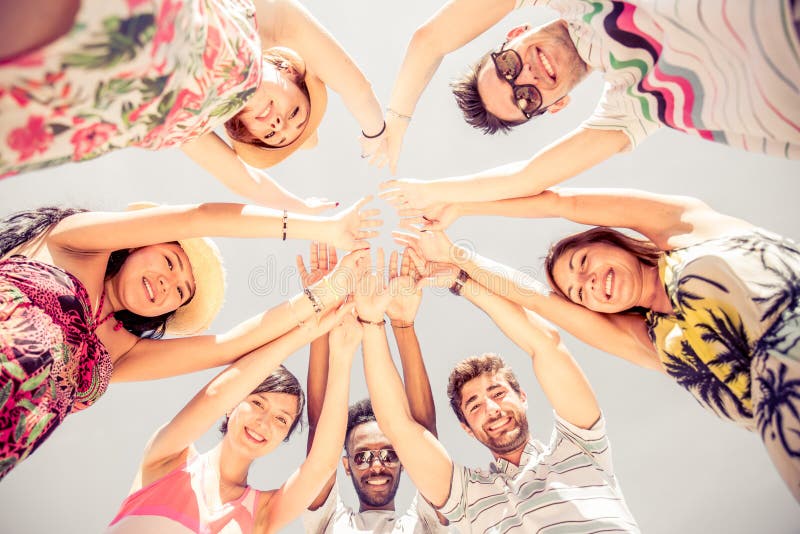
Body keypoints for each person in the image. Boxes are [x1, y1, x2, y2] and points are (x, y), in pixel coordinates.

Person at [393, 186, 800, 500]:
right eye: (577, 292)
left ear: (610, 240)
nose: (586, 282)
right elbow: (536, 300)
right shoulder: (653, 342)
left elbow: (561, 200)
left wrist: (459, 203)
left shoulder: (687, 230)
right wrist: (456, 263)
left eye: (583, 263)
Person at [0, 199, 378, 480]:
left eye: (180, 293)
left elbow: (230, 346)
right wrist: (324, 228)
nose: (168, 284)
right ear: (137, 243)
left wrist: (327, 293)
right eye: (169, 262)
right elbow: (196, 217)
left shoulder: (121, 352)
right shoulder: (74, 244)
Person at [379, 0, 799, 201]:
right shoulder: (637, 102)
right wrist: (429, 195)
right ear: (556, 106)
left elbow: (429, 39)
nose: (525, 76)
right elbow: (526, 180)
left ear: (513, 33)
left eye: (507, 65)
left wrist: (393, 122)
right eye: (525, 98)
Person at [353, 247, 640, 532]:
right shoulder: (466, 497)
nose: (492, 408)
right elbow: (398, 426)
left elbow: (546, 343)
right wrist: (372, 323)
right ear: (466, 427)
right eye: (475, 406)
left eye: (499, 393)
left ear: (523, 397)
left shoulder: (581, 446)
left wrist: (459, 280)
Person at [0, 0, 388, 209]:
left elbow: (248, 184)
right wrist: (378, 131)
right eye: (295, 114)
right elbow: (354, 85)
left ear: (248, 134)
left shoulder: (198, 127)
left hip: (50, 110)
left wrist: (301, 208)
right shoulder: (265, 23)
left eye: (271, 133)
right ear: (290, 73)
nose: (277, 122)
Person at [106, 301, 362, 533]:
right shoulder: (169, 460)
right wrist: (307, 329)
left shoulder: (262, 513)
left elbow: (322, 465)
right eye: (257, 403)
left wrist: (343, 354)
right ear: (232, 406)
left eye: (281, 419)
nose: (264, 422)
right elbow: (215, 394)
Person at [298, 244, 449, 533]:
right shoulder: (329, 522)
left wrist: (403, 324)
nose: (376, 466)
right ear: (345, 464)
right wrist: (323, 313)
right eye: (362, 455)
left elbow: (424, 434)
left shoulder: (426, 522)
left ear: (405, 459)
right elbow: (320, 432)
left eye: (390, 454)